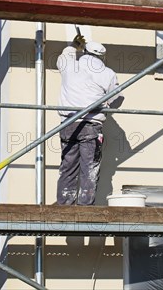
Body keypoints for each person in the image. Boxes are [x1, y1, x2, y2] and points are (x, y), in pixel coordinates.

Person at [56, 34, 123, 205]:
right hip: (91, 126)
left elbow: (64, 55)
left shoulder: (69, 65)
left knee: (68, 167)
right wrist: (105, 107)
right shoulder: (107, 73)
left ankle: (64, 206)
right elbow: (118, 99)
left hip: (68, 124)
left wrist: (74, 45)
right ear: (102, 56)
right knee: (90, 169)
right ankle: (84, 208)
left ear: (85, 52)